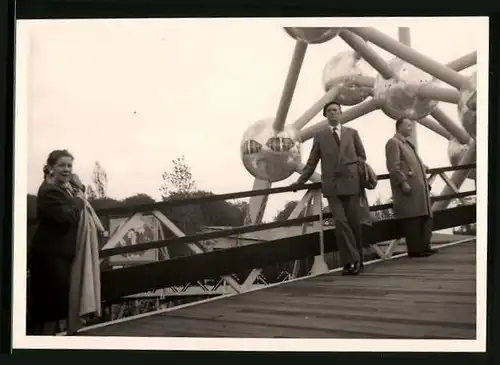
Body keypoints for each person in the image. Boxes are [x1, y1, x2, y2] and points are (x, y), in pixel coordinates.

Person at [292, 101, 369, 275]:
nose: (333, 113)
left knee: (354, 223)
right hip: (332, 186)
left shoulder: (352, 133)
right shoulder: (320, 137)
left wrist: (351, 164)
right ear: (326, 116)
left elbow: (362, 156)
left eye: (335, 110)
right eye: (329, 111)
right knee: (341, 224)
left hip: (351, 183)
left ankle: (355, 261)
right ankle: (352, 260)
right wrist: (300, 182)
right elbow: (312, 162)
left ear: (341, 113)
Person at [27, 149, 86, 335]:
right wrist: (79, 200)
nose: (67, 169)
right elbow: (67, 218)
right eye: (61, 165)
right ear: (50, 168)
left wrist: (79, 188)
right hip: (49, 258)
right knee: (49, 311)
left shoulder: (62, 189)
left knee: (55, 309)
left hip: (58, 257)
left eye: (70, 166)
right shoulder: (49, 191)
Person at [385, 118, 438, 258]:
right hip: (408, 189)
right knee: (412, 219)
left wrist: (422, 167)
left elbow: (408, 162)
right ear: (399, 126)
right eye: (408, 125)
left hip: (418, 189)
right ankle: (415, 250)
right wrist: (402, 182)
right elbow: (393, 167)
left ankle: (424, 247)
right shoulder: (394, 143)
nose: (411, 128)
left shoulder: (407, 144)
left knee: (422, 217)